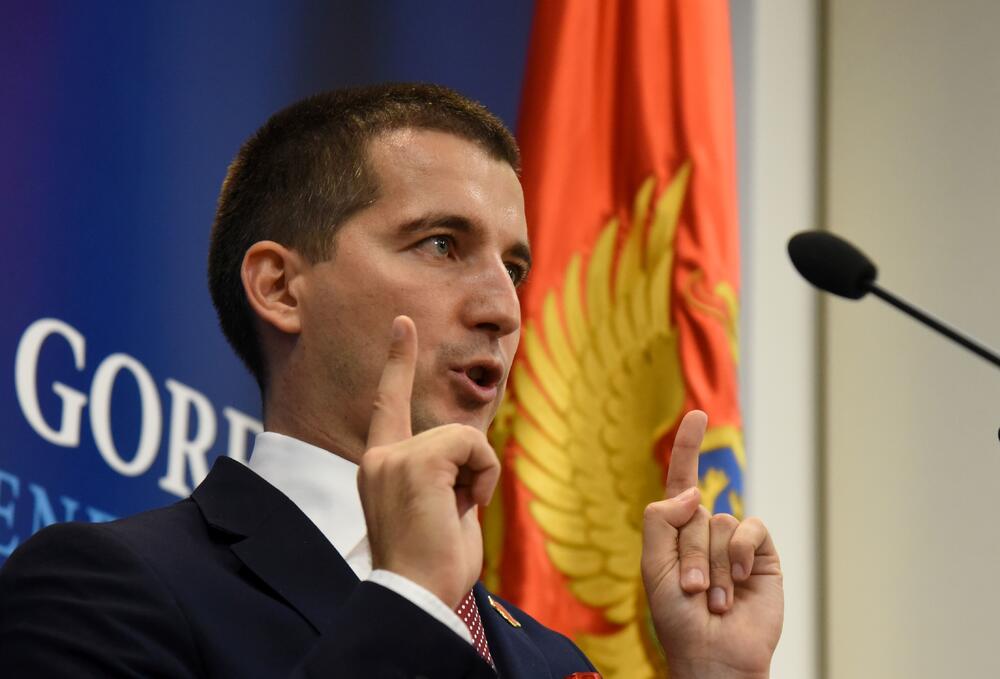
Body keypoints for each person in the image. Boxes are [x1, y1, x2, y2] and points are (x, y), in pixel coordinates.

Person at [0, 83, 783, 678]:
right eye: (441, 244)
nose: (504, 309)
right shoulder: (103, 588)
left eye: (514, 268)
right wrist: (408, 598)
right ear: (280, 287)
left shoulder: (550, 658)